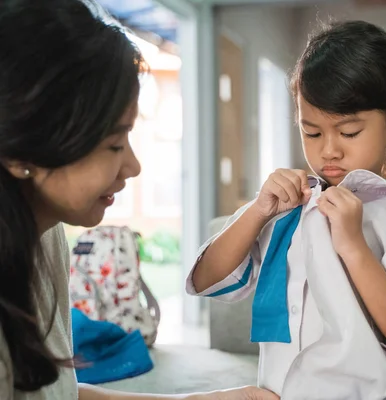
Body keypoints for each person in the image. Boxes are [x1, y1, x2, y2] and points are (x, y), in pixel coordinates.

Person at [0, 1, 278, 399]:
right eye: (114, 144)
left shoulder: (45, 237)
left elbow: (58, 392)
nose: (133, 166)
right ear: (20, 153)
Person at [187, 20, 386, 399]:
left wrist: (353, 246)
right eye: (312, 132)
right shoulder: (288, 209)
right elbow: (206, 281)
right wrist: (256, 212)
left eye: (349, 132)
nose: (329, 150)